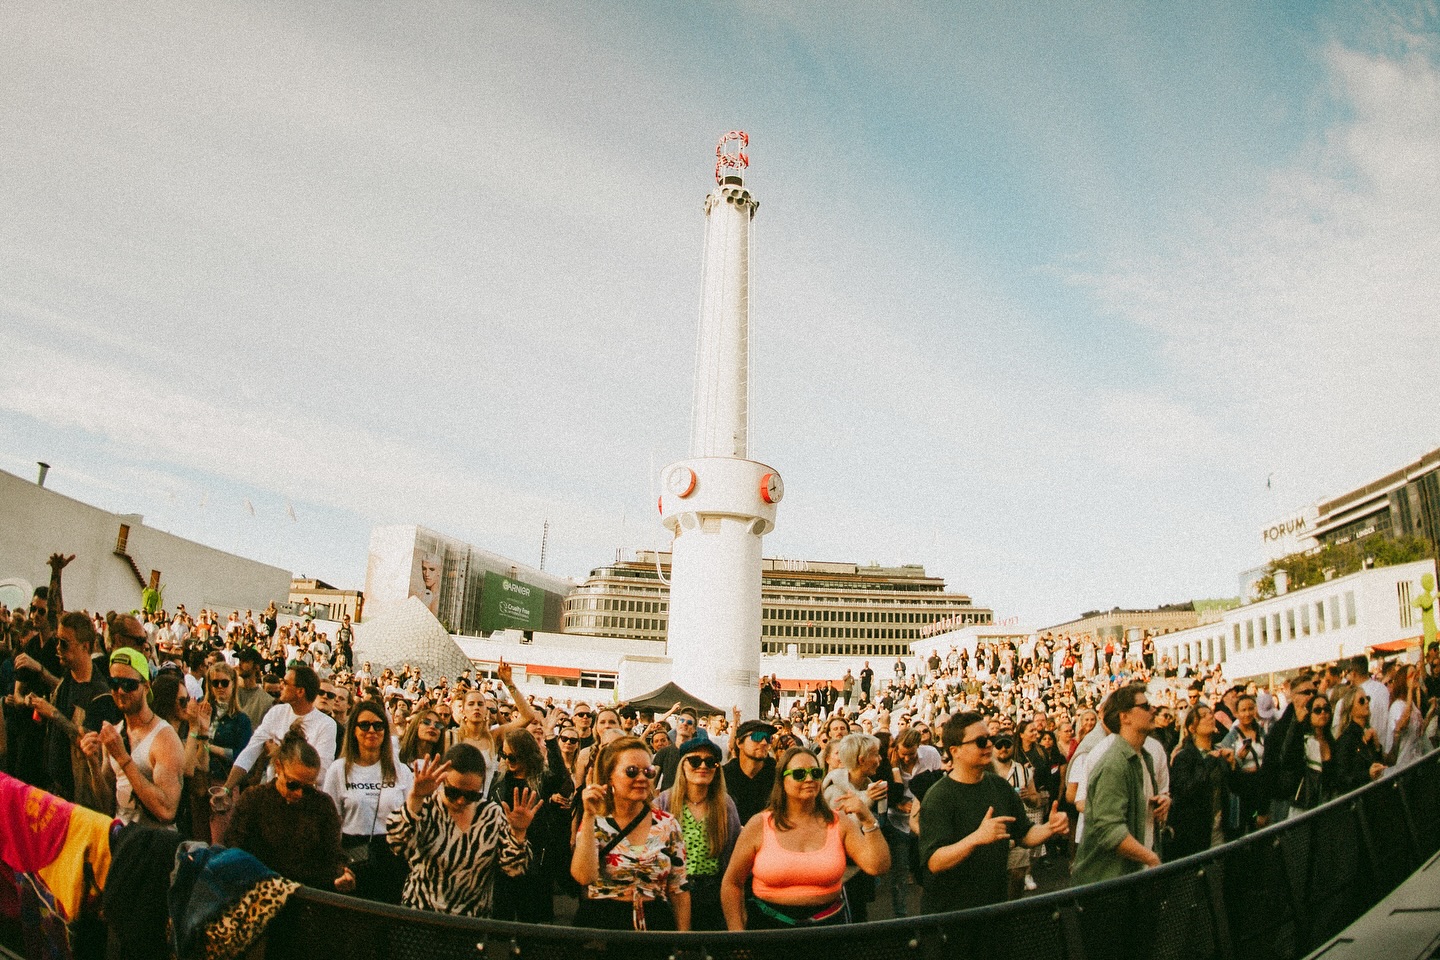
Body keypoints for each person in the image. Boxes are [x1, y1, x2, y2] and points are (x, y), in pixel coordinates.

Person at [721, 745, 889, 929]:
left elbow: (877, 866)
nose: (809, 779)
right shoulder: (759, 824)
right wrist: (737, 934)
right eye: (800, 774)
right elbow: (732, 883)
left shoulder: (839, 822)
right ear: (782, 780)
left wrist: (867, 819)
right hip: (769, 928)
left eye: (815, 773)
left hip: (828, 928)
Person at [917, 712, 1068, 912]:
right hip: (951, 913)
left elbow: (1024, 833)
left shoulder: (999, 786)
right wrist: (976, 838)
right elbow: (934, 862)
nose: (989, 744)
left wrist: (1050, 827)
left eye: (990, 738)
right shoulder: (939, 796)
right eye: (980, 741)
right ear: (955, 751)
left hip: (994, 904)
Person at [388, 744, 539, 916]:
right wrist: (415, 799)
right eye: (453, 792)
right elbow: (396, 843)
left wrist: (518, 834)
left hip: (471, 922)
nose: (461, 801)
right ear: (443, 781)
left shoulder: (491, 814)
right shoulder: (427, 807)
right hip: (422, 916)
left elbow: (514, 869)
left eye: (471, 795)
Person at [572, 736, 691, 931]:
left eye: (648, 771)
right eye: (632, 771)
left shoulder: (667, 824)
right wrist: (588, 815)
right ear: (610, 775)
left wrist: (684, 943)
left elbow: (679, 889)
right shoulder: (596, 821)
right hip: (604, 927)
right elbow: (584, 877)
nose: (642, 778)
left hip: (655, 927)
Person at [225, 728, 355, 891]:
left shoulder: (322, 805)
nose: (299, 793)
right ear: (278, 767)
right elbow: (234, 846)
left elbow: (332, 854)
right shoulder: (254, 798)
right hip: (260, 892)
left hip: (307, 893)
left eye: (308, 788)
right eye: (293, 784)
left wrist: (341, 874)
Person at [78, 646, 184, 826]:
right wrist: (93, 764)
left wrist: (123, 758)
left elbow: (167, 811)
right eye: (114, 683)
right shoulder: (116, 733)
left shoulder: (164, 738)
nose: (120, 691)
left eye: (129, 685)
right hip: (123, 841)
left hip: (152, 845)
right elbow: (106, 806)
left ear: (146, 685)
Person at [1071, 685, 1168, 884]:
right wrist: (1151, 858)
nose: (1153, 710)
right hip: (1107, 883)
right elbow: (1110, 831)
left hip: (1132, 876)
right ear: (1125, 717)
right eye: (1145, 706)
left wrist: (1161, 802)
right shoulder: (1114, 762)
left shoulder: (1145, 757)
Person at [323, 699, 413, 903]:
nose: (371, 730)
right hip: (353, 853)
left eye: (378, 725)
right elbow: (331, 821)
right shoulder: (338, 770)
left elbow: (410, 817)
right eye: (364, 725)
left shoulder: (402, 771)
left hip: (392, 854)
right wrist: (337, 864)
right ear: (353, 730)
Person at [655, 735, 741, 930]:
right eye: (695, 761)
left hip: (712, 894)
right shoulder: (664, 802)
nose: (703, 766)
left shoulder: (725, 805)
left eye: (710, 762)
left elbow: (734, 853)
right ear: (682, 765)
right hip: (672, 893)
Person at [488, 727, 572, 923]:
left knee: (534, 921)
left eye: (513, 757)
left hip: (537, 861)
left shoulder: (544, 781)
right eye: (504, 755)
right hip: (503, 858)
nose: (508, 761)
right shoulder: (499, 782)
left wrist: (551, 740)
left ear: (527, 755)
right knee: (502, 921)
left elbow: (563, 779)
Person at [28, 611, 110, 802]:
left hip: (79, 798)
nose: (58, 648)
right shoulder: (67, 679)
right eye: (57, 641)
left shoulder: (99, 694)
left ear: (85, 646)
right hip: (55, 790)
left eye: (64, 643)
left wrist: (53, 714)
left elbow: (88, 745)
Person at [222, 664, 338, 799]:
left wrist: (277, 754)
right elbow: (249, 752)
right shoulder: (277, 712)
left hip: (303, 799)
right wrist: (226, 788)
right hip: (273, 796)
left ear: (300, 691)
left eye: (286, 683)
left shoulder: (326, 725)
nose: (280, 686)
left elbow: (320, 774)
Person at [821, 733, 887, 921]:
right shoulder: (834, 791)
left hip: (860, 869)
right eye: (875, 754)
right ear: (861, 759)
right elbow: (839, 830)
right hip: (842, 876)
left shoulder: (867, 786)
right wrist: (867, 800)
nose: (880, 759)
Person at [1166, 704, 1232, 861]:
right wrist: (1209, 762)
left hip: (1219, 828)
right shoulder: (1184, 757)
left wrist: (1234, 765)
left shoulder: (1218, 752)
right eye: (1203, 715)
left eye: (1210, 713)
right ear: (1192, 728)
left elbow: (1232, 788)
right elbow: (1185, 791)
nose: (1210, 716)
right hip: (1195, 832)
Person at [1218, 694, 1266, 836]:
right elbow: (1226, 770)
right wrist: (1238, 758)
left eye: (1251, 709)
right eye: (1243, 710)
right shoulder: (1231, 738)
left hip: (1260, 784)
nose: (1247, 713)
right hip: (1243, 788)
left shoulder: (1261, 731)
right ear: (1237, 713)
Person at [1283, 692, 1335, 811]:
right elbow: (1287, 757)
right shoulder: (1304, 741)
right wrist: (1296, 723)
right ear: (1309, 714)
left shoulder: (1331, 741)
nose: (1323, 712)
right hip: (1305, 806)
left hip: (1329, 805)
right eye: (1317, 710)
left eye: (1326, 709)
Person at [723, 720, 777, 825]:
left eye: (768, 738)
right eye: (757, 736)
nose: (764, 742)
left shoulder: (776, 775)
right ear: (739, 742)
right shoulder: (724, 775)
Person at [1333, 690, 1386, 794]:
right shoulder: (1347, 739)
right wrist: (1367, 774)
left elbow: (1378, 764)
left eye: (1367, 698)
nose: (1366, 702)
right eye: (1361, 700)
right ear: (1351, 710)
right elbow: (1341, 778)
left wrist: (1377, 748)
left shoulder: (1368, 733)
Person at [232, 647, 274, 732]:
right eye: (240, 660)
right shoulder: (230, 693)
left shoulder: (266, 701)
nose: (239, 664)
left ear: (256, 667)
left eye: (245, 661)